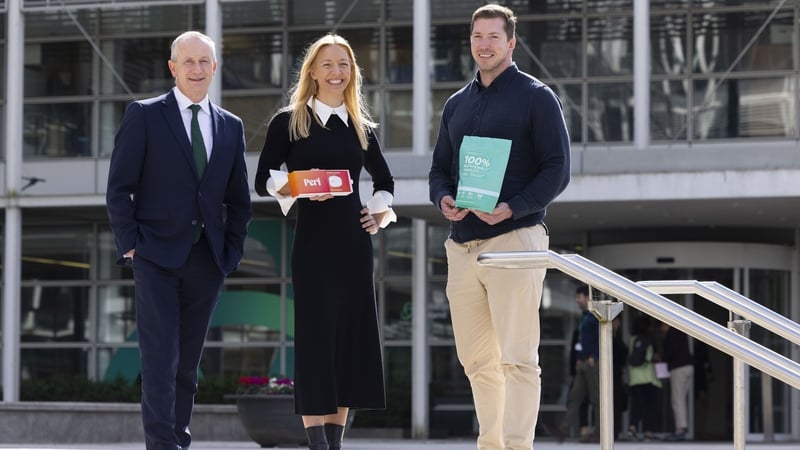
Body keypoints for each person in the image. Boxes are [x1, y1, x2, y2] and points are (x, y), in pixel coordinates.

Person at [428, 4, 570, 449]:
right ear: (469, 42)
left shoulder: (536, 97)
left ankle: (517, 447)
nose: (484, 45)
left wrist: (513, 207)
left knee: (518, 359)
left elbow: (557, 169)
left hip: (515, 240)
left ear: (511, 42)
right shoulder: (456, 104)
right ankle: (491, 445)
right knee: (476, 362)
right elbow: (438, 171)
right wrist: (443, 199)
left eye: (493, 37)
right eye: (477, 37)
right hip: (463, 246)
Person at [106, 31, 252, 450]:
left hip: (208, 260)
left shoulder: (230, 126)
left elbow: (238, 200)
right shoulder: (145, 115)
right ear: (173, 68)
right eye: (187, 62)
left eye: (204, 61)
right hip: (155, 256)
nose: (196, 69)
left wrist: (232, 250)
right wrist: (130, 243)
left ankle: (178, 440)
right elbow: (119, 188)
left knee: (187, 363)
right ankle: (161, 446)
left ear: (214, 67)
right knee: (160, 360)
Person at [254, 33, 395, 450]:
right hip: (312, 246)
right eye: (328, 64)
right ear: (312, 72)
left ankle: (335, 444)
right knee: (317, 343)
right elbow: (262, 179)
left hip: (354, 247)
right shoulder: (289, 121)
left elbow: (385, 182)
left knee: (348, 343)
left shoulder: (361, 126)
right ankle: (318, 445)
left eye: (344, 65)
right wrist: (297, 186)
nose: (337, 72)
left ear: (353, 73)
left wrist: (378, 211)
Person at [553, 285, 600, 443]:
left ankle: (600, 432)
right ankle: (563, 431)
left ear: (588, 298)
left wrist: (594, 356)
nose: (577, 300)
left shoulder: (595, 316)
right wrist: (579, 359)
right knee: (575, 397)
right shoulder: (585, 316)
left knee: (596, 399)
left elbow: (601, 338)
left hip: (592, 362)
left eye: (579, 297)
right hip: (583, 362)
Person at [626, 315, 661, 441]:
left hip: (635, 379)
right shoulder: (648, 340)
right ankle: (648, 432)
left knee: (637, 406)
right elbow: (652, 358)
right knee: (650, 407)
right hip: (648, 378)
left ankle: (632, 429)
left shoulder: (632, 339)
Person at [659, 322, 694, 441]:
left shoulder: (671, 334)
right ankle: (682, 428)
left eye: (661, 327)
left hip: (678, 368)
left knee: (677, 400)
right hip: (688, 366)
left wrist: (661, 358)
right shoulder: (680, 330)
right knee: (681, 399)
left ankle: (680, 429)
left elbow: (669, 352)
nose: (661, 330)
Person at [611, 315, 629, 440]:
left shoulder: (616, 338)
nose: (617, 325)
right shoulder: (606, 337)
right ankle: (611, 431)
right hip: (611, 372)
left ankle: (614, 431)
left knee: (615, 403)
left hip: (616, 373)